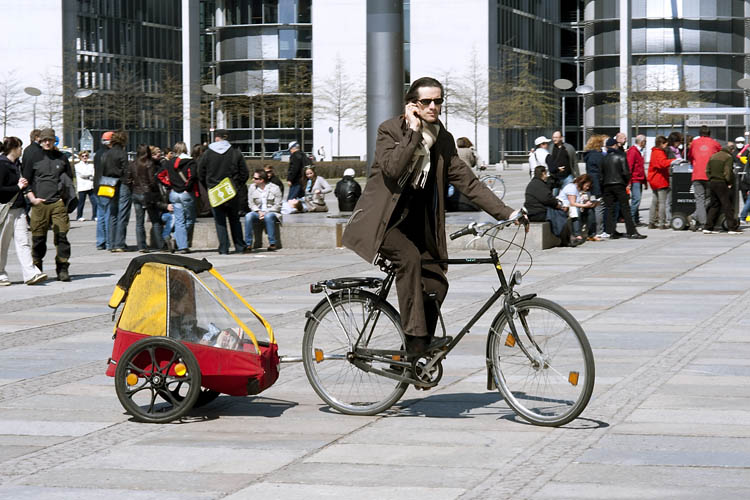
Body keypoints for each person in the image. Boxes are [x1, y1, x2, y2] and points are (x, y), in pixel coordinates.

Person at [341, 76, 518, 358]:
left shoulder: (442, 139)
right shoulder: (390, 130)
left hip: (415, 224)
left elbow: (467, 182)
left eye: (438, 101)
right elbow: (393, 169)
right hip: (383, 223)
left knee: (436, 280)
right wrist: (412, 132)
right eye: (427, 101)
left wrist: (507, 212)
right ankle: (415, 343)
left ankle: (416, 353)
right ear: (412, 104)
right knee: (409, 260)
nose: (434, 106)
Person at [22, 128, 75, 281]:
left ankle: (63, 268)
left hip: (57, 203)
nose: (47, 142)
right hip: (39, 204)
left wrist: (64, 200)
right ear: (40, 140)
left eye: (50, 140)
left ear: (54, 141)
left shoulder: (61, 158)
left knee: (62, 237)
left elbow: (69, 180)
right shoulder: (33, 157)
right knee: (38, 239)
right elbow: (25, 180)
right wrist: (32, 199)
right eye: (44, 140)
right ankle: (37, 268)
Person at [0, 137, 46, 285]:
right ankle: (1, 273)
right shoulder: (2, 165)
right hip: (6, 208)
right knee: (2, 243)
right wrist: (17, 187)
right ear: (13, 148)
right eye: (20, 147)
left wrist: (28, 193)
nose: (21, 150)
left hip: (19, 208)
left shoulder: (17, 165)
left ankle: (30, 273)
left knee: (23, 242)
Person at [197, 129, 248, 255]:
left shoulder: (207, 153)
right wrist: (236, 185)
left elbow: (200, 173)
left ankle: (223, 247)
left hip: (215, 191)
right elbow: (245, 173)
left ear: (216, 138)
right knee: (234, 219)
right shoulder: (235, 153)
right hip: (231, 190)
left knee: (219, 220)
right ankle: (239, 246)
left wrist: (209, 185)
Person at [600, 137, 646, 239]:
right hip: (619, 185)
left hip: (607, 186)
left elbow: (601, 175)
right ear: (614, 145)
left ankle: (610, 231)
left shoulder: (603, 158)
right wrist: (625, 183)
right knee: (625, 208)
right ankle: (631, 231)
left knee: (609, 208)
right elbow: (626, 172)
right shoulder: (620, 156)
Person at [159, 141, 198, 254]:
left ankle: (181, 245)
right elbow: (193, 177)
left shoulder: (169, 162)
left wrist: (169, 184)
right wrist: (187, 187)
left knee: (179, 220)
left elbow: (159, 175)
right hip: (186, 193)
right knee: (190, 219)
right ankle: (178, 241)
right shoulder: (191, 162)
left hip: (174, 193)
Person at [687, 125, 721, 232]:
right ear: (710, 133)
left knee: (699, 199)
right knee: (710, 199)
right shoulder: (714, 143)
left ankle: (698, 219)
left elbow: (690, 157)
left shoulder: (694, 143)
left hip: (697, 174)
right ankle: (701, 220)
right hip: (710, 175)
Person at [129, 144, 162, 252]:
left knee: (139, 222)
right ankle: (160, 244)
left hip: (136, 193)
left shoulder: (133, 163)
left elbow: (128, 178)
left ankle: (141, 246)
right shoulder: (149, 163)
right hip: (147, 194)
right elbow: (152, 181)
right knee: (155, 220)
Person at [525, 165, 570, 245]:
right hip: (537, 213)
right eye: (546, 174)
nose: (547, 176)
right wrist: (558, 205)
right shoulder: (539, 184)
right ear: (543, 173)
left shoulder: (534, 183)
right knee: (560, 214)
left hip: (533, 211)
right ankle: (564, 239)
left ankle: (565, 238)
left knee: (558, 212)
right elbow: (547, 199)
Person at [101, 131, 131, 252]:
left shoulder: (106, 153)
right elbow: (125, 170)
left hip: (109, 183)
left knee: (112, 213)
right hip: (122, 183)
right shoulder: (122, 153)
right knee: (122, 213)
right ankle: (119, 243)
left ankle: (111, 243)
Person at [704, 145, 741, 234]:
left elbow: (707, 170)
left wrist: (711, 178)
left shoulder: (713, 156)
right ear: (731, 150)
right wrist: (729, 182)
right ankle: (732, 228)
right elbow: (727, 171)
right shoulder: (728, 157)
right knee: (727, 205)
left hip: (712, 182)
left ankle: (708, 227)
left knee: (714, 205)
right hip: (722, 183)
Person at [245, 168, 283, 251]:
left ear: (261, 180)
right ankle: (248, 244)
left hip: (271, 212)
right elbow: (251, 203)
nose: (253, 180)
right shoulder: (252, 188)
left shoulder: (275, 188)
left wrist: (265, 212)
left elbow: (278, 205)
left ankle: (272, 243)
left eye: (255, 178)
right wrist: (258, 211)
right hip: (257, 212)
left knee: (268, 217)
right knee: (248, 216)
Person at [558, 173, 597, 245]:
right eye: (586, 186)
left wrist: (588, 203)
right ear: (582, 183)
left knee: (590, 211)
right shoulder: (572, 188)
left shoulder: (579, 190)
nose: (587, 188)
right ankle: (577, 234)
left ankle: (591, 233)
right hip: (565, 207)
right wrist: (585, 205)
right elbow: (572, 203)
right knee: (576, 210)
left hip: (573, 207)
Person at [583, 134, 606, 238]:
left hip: (591, 182)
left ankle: (592, 230)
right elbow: (602, 170)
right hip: (597, 184)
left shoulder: (588, 155)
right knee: (599, 206)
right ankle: (599, 230)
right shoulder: (597, 156)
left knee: (592, 207)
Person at [93, 131, 113, 250]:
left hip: (97, 185)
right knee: (108, 214)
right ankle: (109, 242)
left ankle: (100, 241)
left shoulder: (98, 153)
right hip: (107, 185)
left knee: (100, 215)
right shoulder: (109, 154)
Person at [647, 135, 672, 229]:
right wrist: (673, 161)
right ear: (661, 144)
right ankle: (662, 223)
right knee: (662, 202)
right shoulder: (660, 152)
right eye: (665, 144)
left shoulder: (654, 152)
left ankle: (651, 222)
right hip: (660, 179)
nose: (666, 146)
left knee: (654, 202)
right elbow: (663, 163)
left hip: (654, 179)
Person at [626, 134, 647, 226]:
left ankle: (636, 219)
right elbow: (629, 167)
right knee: (636, 199)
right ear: (641, 142)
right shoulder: (633, 151)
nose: (646, 143)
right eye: (645, 141)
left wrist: (645, 181)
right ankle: (631, 219)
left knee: (637, 200)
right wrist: (629, 182)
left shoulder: (639, 151)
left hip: (639, 179)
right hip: (635, 179)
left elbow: (641, 168)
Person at [73, 150, 96, 221]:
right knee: (81, 203)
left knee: (95, 202)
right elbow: (82, 174)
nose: (84, 157)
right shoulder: (77, 166)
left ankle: (95, 216)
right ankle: (79, 216)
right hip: (82, 187)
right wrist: (89, 175)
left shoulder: (91, 165)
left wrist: (89, 175)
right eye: (83, 156)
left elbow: (93, 174)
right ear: (80, 157)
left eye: (86, 156)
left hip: (90, 186)